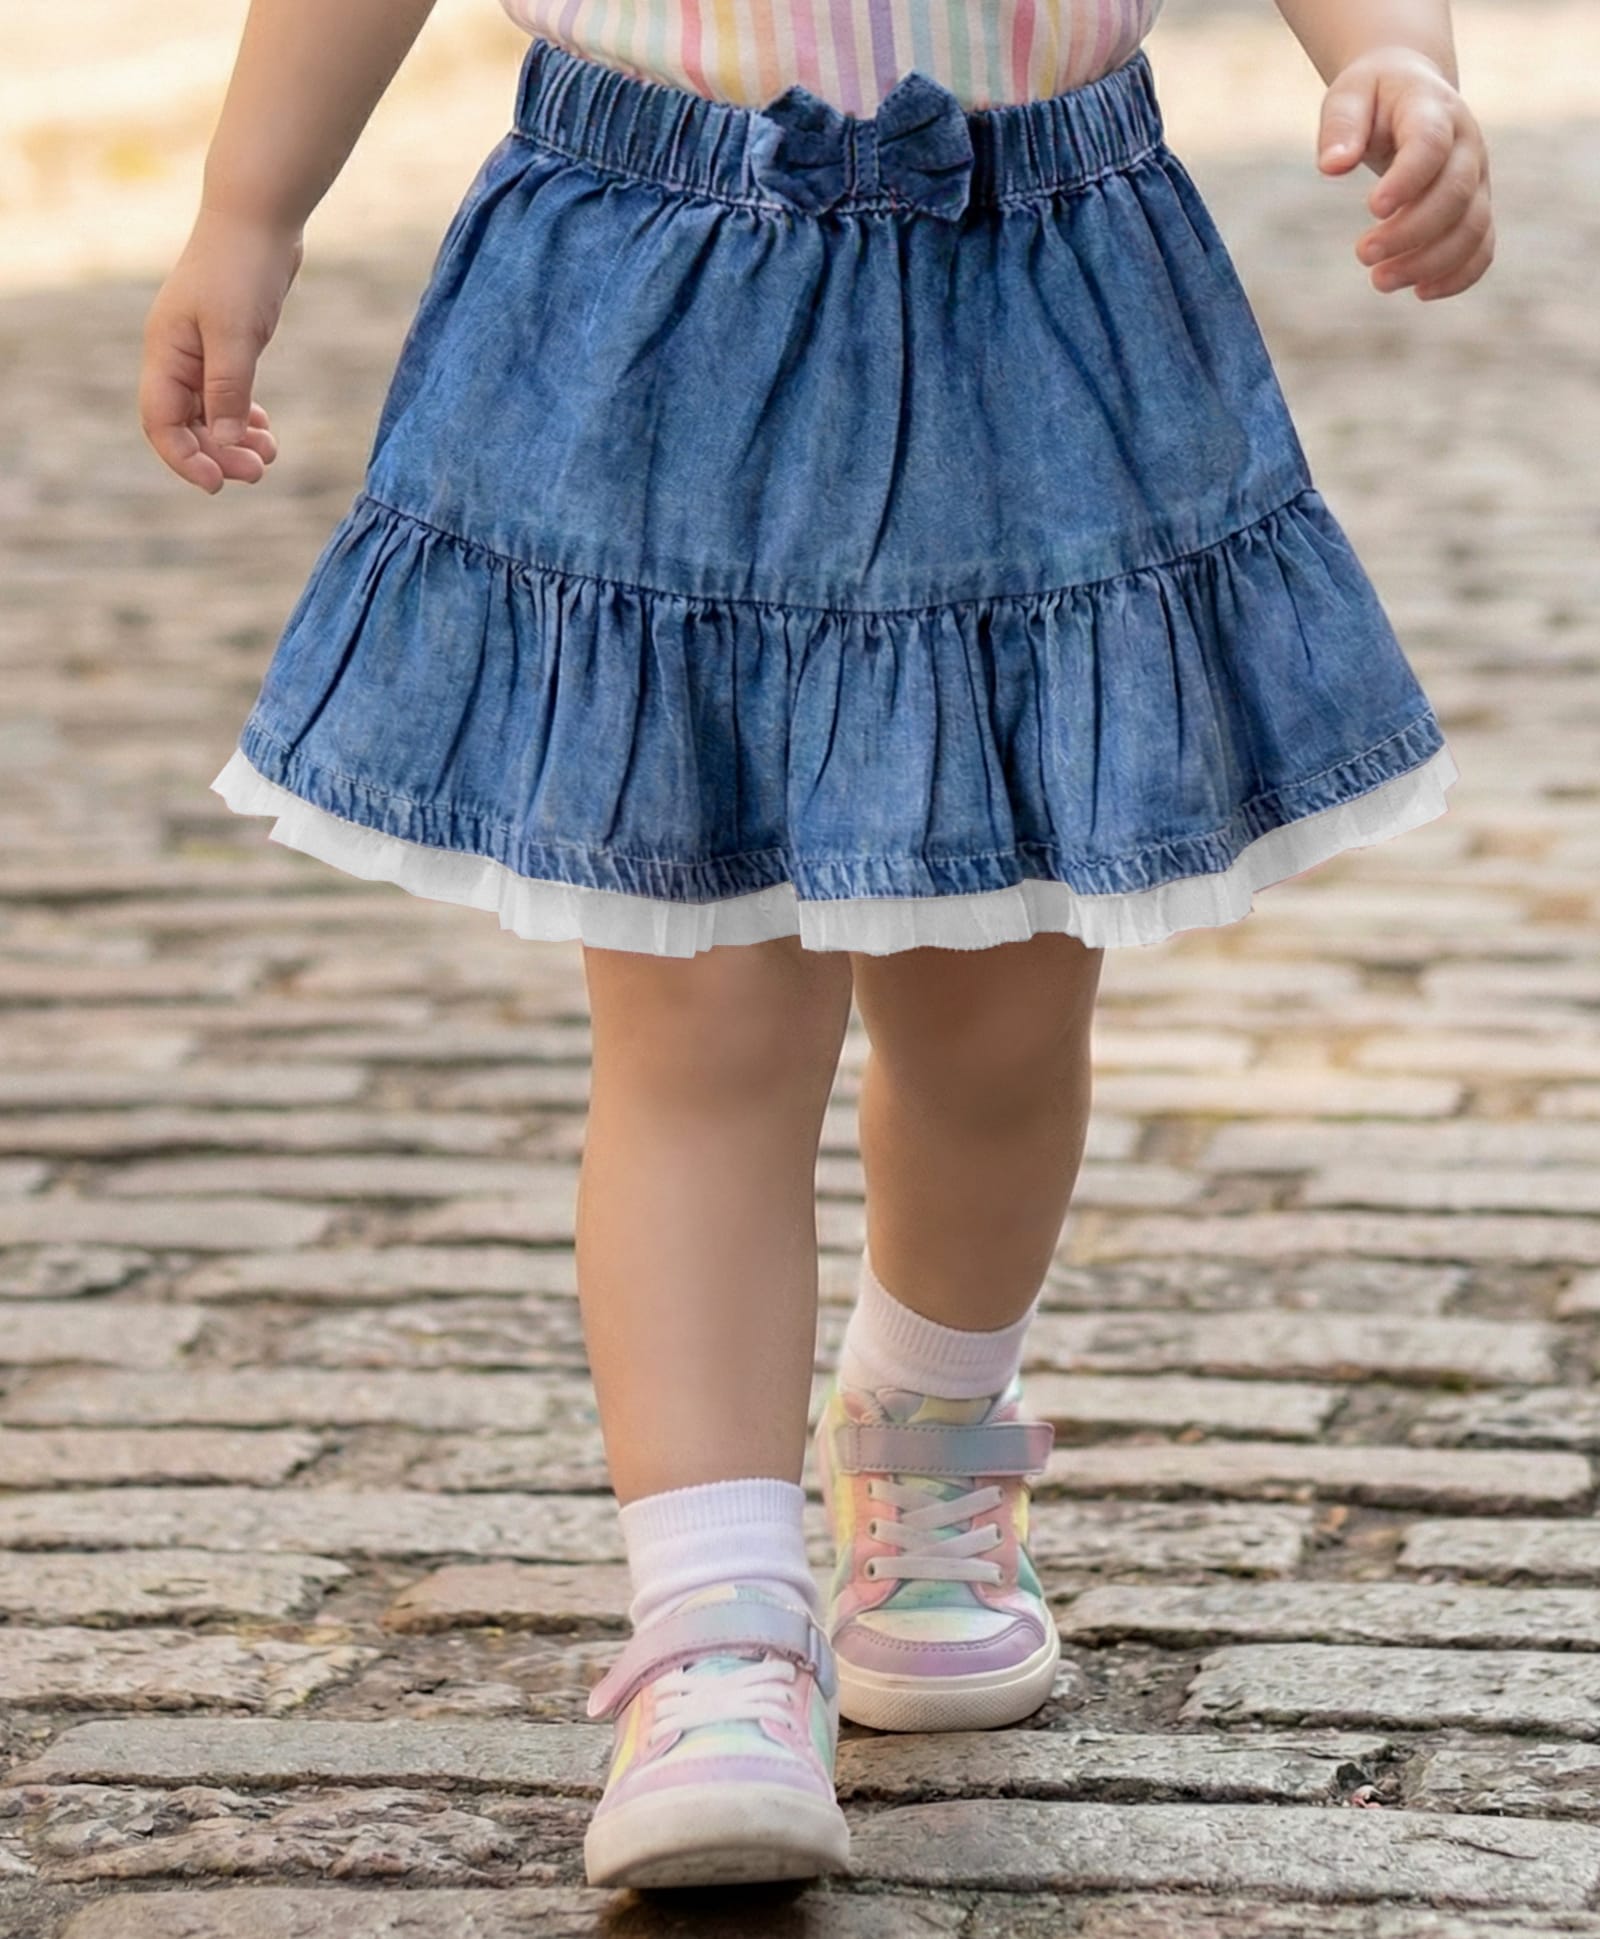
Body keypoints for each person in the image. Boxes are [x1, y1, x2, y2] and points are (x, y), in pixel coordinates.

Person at [138, 0, 1489, 1891]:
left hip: (1051, 301)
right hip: (649, 298)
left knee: (1001, 1014)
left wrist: (1400, 59)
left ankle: (931, 1443)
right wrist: (248, 209)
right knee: (703, 1034)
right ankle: (715, 1637)